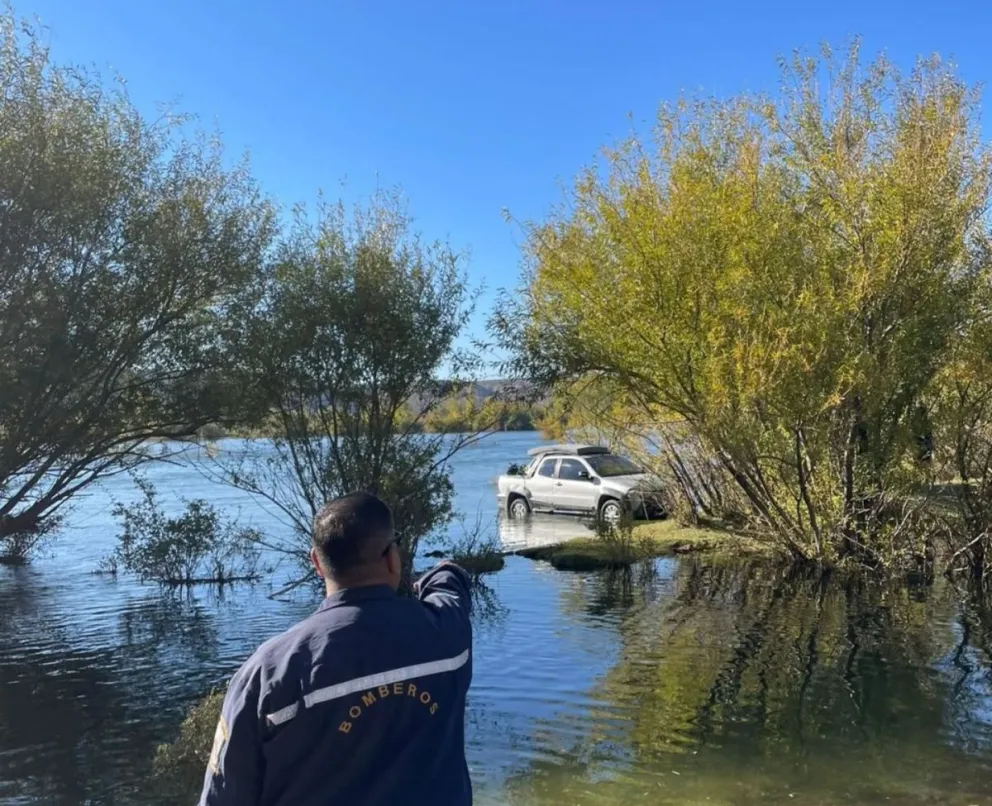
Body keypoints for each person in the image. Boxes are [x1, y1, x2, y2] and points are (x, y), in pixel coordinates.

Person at [198, 491, 473, 806]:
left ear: (316, 562)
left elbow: (223, 797)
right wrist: (442, 571)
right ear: (392, 558)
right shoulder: (447, 637)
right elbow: (451, 587)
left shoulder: (268, 672)